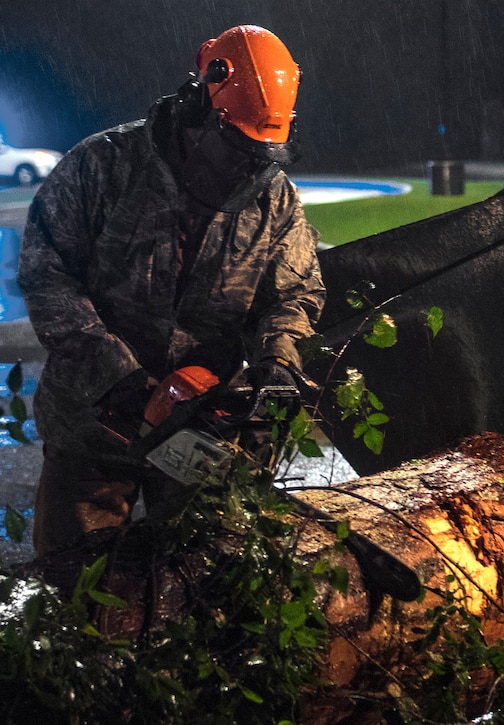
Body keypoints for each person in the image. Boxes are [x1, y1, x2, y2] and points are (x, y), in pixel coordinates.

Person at [17, 25, 326, 556]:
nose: (245, 168)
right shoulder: (103, 167)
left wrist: (278, 362)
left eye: (261, 155)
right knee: (76, 590)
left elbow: (294, 294)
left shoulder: (274, 200)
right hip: (94, 426)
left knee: (202, 592)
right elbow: (48, 276)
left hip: (204, 430)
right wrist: (126, 382)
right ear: (198, 107)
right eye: (236, 148)